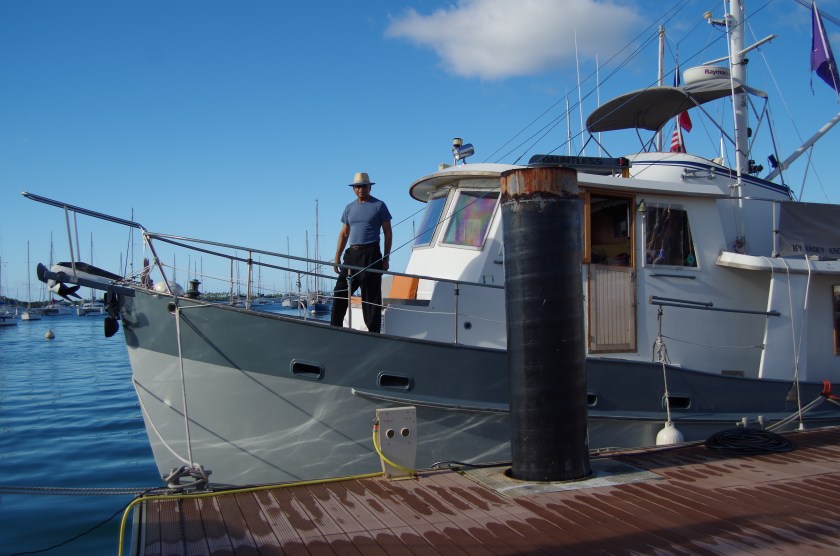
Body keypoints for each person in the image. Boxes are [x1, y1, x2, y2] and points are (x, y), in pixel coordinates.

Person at [330, 172, 392, 333]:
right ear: (353, 189)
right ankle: (334, 328)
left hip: (371, 253)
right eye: (357, 186)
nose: (360, 189)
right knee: (340, 291)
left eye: (364, 186)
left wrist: (386, 257)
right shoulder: (349, 208)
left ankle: (373, 334)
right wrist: (337, 256)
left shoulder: (379, 205)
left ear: (370, 187)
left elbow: (387, 232)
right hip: (352, 255)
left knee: (371, 297)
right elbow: (344, 233)